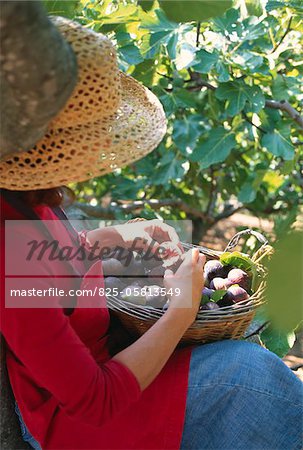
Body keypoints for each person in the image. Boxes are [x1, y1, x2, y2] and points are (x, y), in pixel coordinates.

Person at [0, 17, 302, 450]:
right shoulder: (6, 240)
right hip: (73, 420)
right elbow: (93, 401)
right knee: (248, 376)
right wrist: (180, 310)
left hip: (101, 362)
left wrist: (115, 238)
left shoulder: (21, 196)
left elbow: (48, 269)